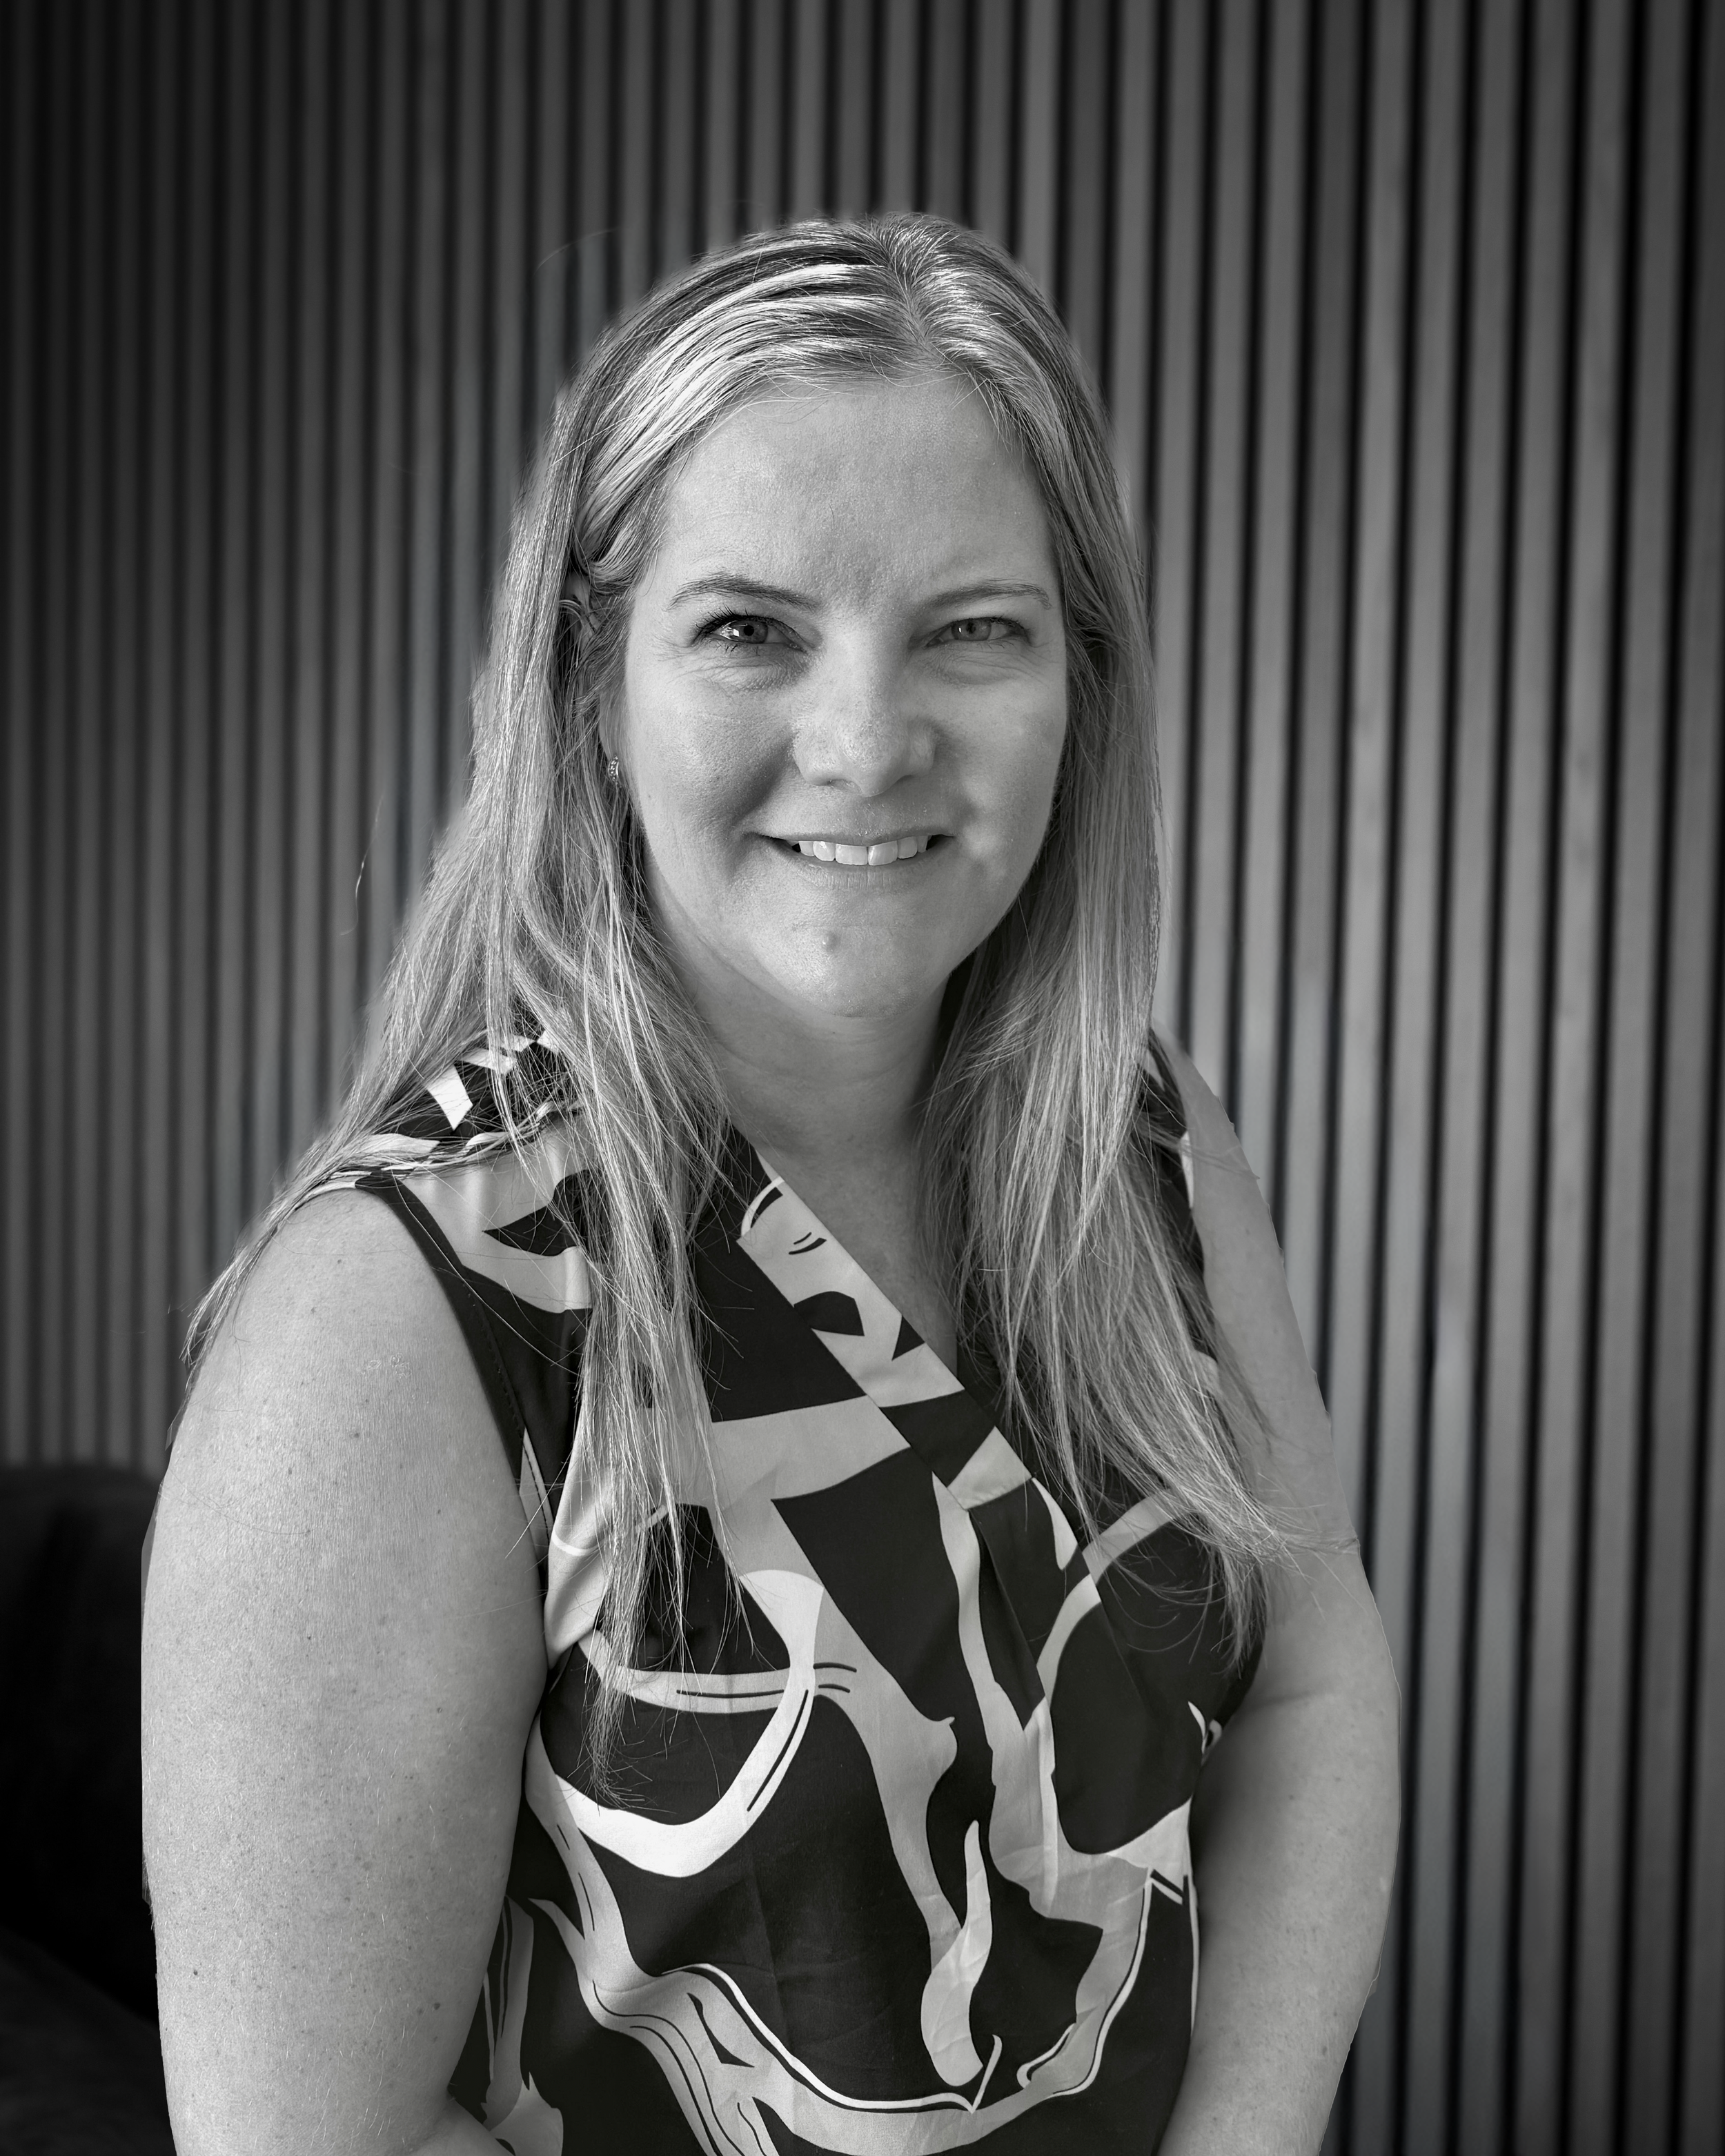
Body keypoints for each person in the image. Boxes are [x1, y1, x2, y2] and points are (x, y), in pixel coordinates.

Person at [141, 214, 1399, 2156]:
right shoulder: (398, 1312)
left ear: (1080, 681)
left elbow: (1312, 1684)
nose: (866, 742)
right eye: (749, 630)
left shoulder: (1141, 1145)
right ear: (591, 687)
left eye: (972, 630)